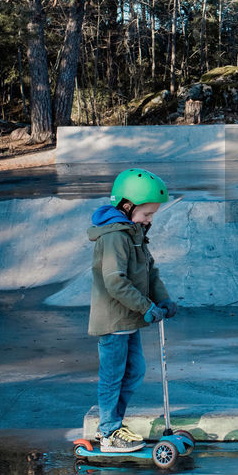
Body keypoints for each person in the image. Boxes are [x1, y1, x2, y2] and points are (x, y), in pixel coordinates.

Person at [88, 168, 179, 452]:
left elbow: (149, 272)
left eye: (152, 214)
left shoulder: (134, 231)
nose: (150, 220)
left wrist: (162, 299)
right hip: (114, 320)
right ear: (127, 206)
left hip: (130, 320)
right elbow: (115, 281)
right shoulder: (115, 237)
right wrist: (146, 306)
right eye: (147, 214)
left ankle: (115, 422)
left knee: (135, 371)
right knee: (113, 376)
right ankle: (108, 432)